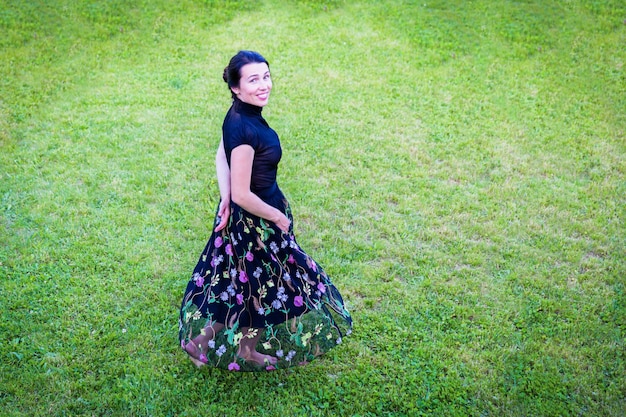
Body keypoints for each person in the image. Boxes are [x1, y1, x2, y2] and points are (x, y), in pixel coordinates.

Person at [179, 50, 352, 371]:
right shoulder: (244, 129)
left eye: (266, 76)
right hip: (255, 222)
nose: (263, 85)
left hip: (250, 215)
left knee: (250, 288)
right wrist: (273, 215)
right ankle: (213, 345)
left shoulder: (237, 115)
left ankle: (237, 347)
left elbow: (220, 156)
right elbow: (245, 192)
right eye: (253, 79)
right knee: (257, 288)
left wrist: (225, 198)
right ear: (235, 87)